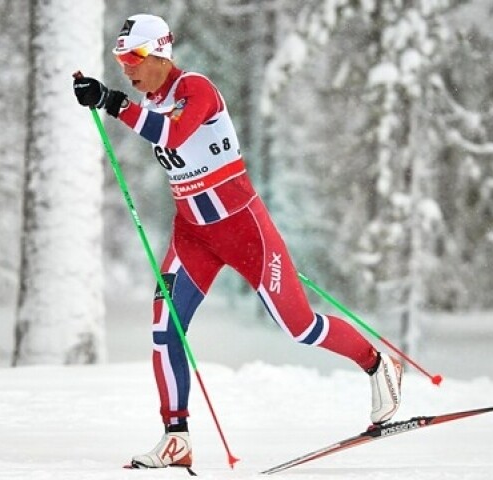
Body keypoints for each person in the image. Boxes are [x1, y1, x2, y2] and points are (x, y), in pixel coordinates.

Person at [73, 13, 402, 470]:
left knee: (299, 328)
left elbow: (171, 132)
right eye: (120, 59)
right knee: (165, 328)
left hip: (244, 231)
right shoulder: (151, 100)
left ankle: (376, 363)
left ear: (159, 54)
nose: (126, 68)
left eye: (132, 58)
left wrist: (111, 101)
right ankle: (176, 436)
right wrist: (106, 97)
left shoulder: (196, 90)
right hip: (193, 234)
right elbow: (151, 123)